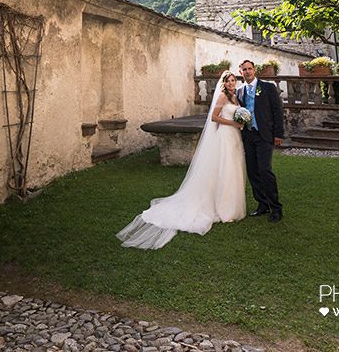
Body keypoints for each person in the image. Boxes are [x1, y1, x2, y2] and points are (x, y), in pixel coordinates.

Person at [117, 70, 247, 249]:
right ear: (223, 84)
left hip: (234, 137)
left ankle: (232, 204)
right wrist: (233, 123)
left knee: (233, 170)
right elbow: (214, 117)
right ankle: (224, 207)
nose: (231, 83)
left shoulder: (234, 98)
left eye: (233, 80)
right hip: (225, 136)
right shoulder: (223, 97)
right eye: (228, 81)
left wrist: (241, 121)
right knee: (225, 169)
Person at [237, 59, 285, 222]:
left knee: (265, 170)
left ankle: (276, 208)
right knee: (252, 171)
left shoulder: (267, 87)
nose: (247, 71)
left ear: (254, 70)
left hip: (264, 135)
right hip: (248, 136)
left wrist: (278, 134)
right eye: (244, 69)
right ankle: (262, 204)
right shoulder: (239, 92)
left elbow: (277, 111)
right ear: (241, 72)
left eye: (250, 68)